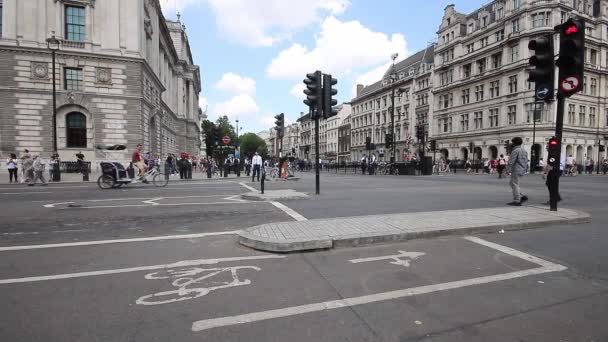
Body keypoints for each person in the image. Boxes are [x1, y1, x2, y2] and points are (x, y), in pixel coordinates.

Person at [506, 137, 529, 206]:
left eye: (512, 142)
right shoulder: (524, 151)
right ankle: (521, 196)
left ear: (514, 143)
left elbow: (511, 161)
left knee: (514, 184)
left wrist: (508, 169)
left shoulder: (515, 151)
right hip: (522, 169)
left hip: (516, 169)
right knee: (512, 183)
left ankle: (517, 200)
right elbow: (526, 161)